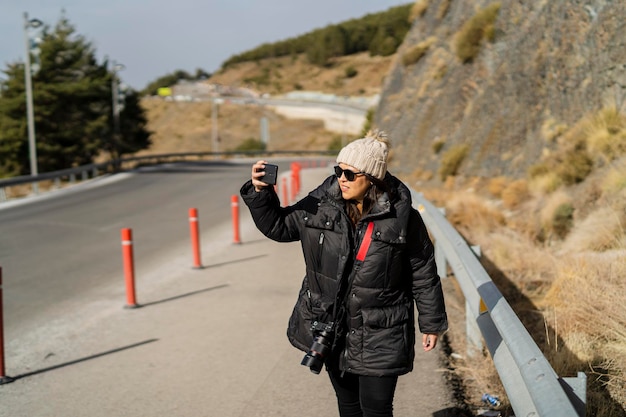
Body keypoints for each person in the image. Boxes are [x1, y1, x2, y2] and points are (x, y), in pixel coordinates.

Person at [240, 130, 448, 417]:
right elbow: (279, 226)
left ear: (372, 178)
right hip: (333, 327)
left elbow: (423, 271)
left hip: (382, 329)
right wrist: (261, 193)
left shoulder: (403, 218)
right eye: (339, 171)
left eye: (351, 174)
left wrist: (431, 322)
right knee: (348, 406)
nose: (342, 179)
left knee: (376, 409)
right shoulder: (321, 204)